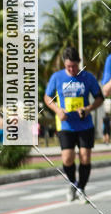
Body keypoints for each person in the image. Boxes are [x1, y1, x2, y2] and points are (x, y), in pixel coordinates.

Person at [44, 46, 103, 202]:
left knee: (85, 157)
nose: (72, 69)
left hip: (85, 125)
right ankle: (72, 184)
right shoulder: (56, 78)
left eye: (75, 66)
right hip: (66, 126)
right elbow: (47, 98)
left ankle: (81, 189)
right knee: (67, 159)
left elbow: (99, 98)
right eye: (68, 66)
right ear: (64, 64)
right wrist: (57, 109)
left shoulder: (88, 77)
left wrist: (88, 108)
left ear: (79, 63)